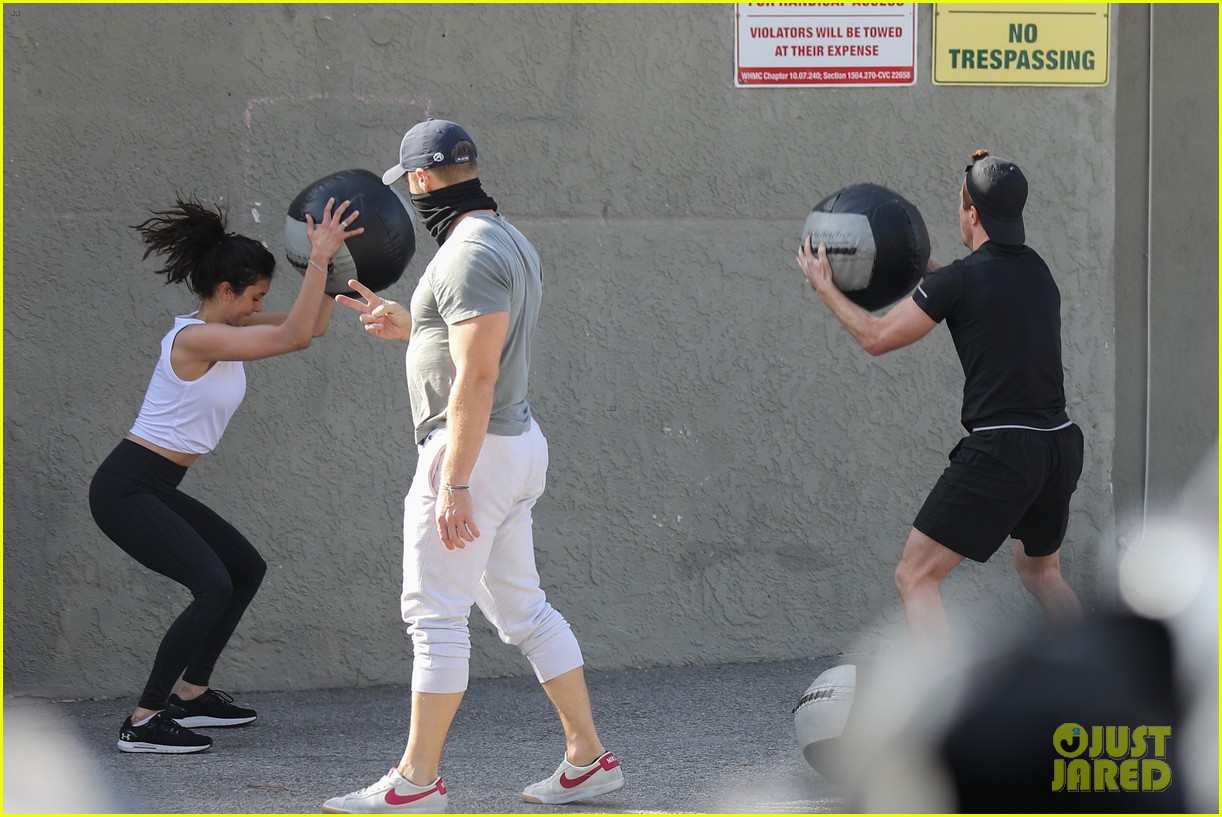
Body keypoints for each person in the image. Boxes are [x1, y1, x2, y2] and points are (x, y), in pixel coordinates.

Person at [323, 119, 623, 813]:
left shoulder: (466, 255)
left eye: (410, 185)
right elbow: (473, 343)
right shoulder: (507, 240)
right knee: (523, 608)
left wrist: (454, 481)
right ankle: (588, 761)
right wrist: (413, 326)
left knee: (434, 615)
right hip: (513, 446)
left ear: (421, 180)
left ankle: (416, 782)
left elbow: (477, 376)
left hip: (474, 453)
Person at [89, 194, 363, 753]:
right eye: (255, 297)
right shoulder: (197, 338)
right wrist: (314, 261)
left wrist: (334, 272)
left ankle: (192, 695)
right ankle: (143, 720)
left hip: (156, 485)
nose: (258, 306)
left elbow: (309, 329)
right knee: (211, 584)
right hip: (126, 486)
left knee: (244, 568)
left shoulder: (230, 327)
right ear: (224, 292)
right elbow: (289, 336)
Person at [797, 150, 1085, 651]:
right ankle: (1103, 682)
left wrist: (825, 285)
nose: (958, 212)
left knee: (915, 576)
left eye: (960, 203)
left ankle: (942, 708)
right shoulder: (1035, 270)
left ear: (972, 214)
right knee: (1042, 574)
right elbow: (964, 284)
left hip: (1003, 450)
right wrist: (916, 263)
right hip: (1058, 446)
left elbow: (876, 336)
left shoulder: (962, 280)